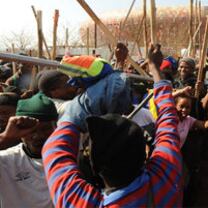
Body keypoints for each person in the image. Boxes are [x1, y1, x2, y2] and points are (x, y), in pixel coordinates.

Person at [41, 44, 183, 207]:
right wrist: (155, 69)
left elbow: (53, 150)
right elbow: (168, 118)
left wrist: (86, 104)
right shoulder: (166, 178)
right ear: (145, 154)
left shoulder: (81, 201)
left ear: (94, 167)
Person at [0, 93, 58, 207]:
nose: (38, 136)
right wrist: (5, 138)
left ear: (55, 127)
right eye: (31, 130)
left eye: (45, 129)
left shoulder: (69, 156)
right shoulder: (5, 161)